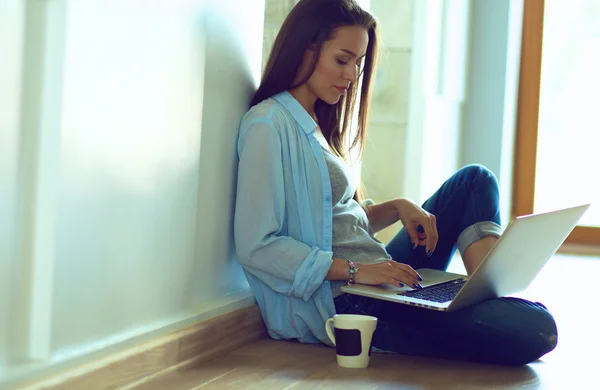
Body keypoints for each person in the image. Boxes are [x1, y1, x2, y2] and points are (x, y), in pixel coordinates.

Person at [234, 0, 557, 365]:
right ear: (305, 48)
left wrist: (395, 208)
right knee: (535, 326)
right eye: (343, 60)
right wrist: (359, 271)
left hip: (376, 277)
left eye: (357, 63)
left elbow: (330, 223)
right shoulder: (267, 125)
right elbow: (257, 245)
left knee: (473, 181)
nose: (352, 74)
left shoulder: (316, 121)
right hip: (346, 302)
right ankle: (483, 306)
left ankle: (482, 296)